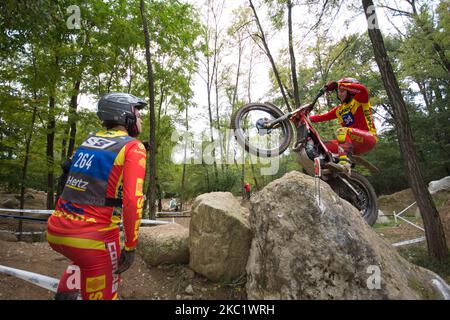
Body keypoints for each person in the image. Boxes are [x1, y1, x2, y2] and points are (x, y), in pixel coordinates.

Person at [47, 93, 147, 300]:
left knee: (83, 262)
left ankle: (66, 295)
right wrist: (130, 247)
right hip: (94, 237)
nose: (141, 118)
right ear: (124, 115)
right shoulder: (133, 147)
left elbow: (67, 178)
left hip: (57, 229)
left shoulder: (88, 142)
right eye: (137, 112)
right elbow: (132, 201)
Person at [309, 77, 377, 173]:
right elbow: (320, 117)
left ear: (350, 92)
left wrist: (338, 84)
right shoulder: (339, 110)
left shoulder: (361, 99)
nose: (339, 94)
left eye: (342, 91)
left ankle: (345, 164)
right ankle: (329, 170)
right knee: (319, 147)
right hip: (350, 144)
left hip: (368, 138)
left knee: (342, 130)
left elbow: (362, 89)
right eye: (338, 91)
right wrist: (302, 116)